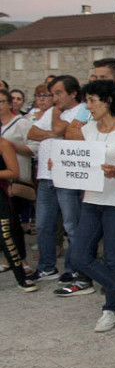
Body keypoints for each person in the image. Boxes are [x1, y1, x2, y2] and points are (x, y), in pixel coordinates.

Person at [64, 80, 115, 331]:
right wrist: (61, 167)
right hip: (91, 200)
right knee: (79, 255)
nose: (88, 106)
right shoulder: (87, 130)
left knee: (112, 258)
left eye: (91, 100)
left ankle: (110, 309)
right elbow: (76, 161)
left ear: (107, 101)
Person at [26, 75, 88, 286]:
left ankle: (74, 269)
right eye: (52, 94)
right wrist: (52, 130)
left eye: (58, 93)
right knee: (43, 225)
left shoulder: (81, 110)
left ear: (73, 93)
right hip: (45, 176)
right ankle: (46, 267)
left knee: (71, 225)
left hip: (67, 176)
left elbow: (62, 130)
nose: (54, 98)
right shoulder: (53, 112)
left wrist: (54, 122)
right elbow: (32, 132)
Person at [0, 88, 35, 272]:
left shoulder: (22, 123)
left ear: (10, 104)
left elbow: (35, 148)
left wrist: (11, 146)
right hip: (1, 181)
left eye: (1, 102)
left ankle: (22, 260)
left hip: (16, 178)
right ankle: (8, 258)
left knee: (13, 222)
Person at [0, 132, 34, 292]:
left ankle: (21, 277)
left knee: (6, 236)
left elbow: (13, 172)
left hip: (1, 196)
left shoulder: (3, 144)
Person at [71, 59, 115, 130]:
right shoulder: (89, 103)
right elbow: (71, 131)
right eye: (96, 78)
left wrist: (85, 130)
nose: (97, 82)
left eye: (103, 77)